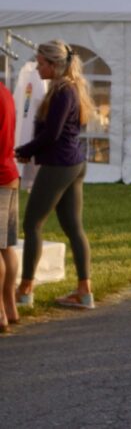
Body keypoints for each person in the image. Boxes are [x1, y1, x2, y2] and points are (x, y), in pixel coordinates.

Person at [15, 40, 96, 310]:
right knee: (73, 227)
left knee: (32, 224)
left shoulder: (62, 92)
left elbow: (52, 134)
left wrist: (24, 150)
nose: (37, 68)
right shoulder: (69, 88)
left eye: (41, 63)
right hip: (72, 163)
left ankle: (25, 290)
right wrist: (30, 151)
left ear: (54, 65)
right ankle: (84, 292)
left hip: (59, 165)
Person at [0, 80, 20, 331]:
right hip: (9, 172)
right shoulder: (5, 92)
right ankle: (10, 307)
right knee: (6, 246)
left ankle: (0, 312)